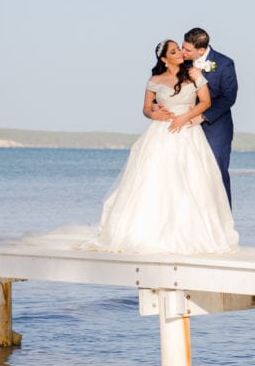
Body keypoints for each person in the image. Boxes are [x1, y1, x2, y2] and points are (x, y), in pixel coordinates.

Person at [94, 40, 239, 254]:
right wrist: (154, 113)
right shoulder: (155, 80)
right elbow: (145, 108)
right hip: (160, 133)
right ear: (164, 59)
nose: (180, 53)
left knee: (189, 180)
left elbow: (205, 102)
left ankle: (192, 232)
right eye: (174, 51)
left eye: (179, 49)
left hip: (187, 131)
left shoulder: (193, 74)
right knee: (156, 180)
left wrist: (185, 118)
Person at [180, 27, 238, 206]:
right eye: (183, 47)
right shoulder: (182, 63)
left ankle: (223, 219)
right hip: (186, 124)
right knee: (186, 172)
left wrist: (203, 116)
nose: (183, 52)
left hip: (216, 127)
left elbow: (229, 97)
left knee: (217, 171)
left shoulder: (225, 63)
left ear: (202, 50)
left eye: (187, 50)